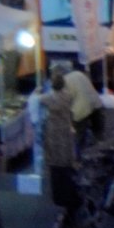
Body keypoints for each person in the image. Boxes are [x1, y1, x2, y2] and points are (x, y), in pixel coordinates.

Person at [40, 74, 78, 219]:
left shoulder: (49, 98)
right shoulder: (68, 96)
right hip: (65, 133)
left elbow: (38, 99)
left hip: (53, 135)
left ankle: (60, 198)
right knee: (66, 167)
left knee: (56, 170)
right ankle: (71, 197)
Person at [60, 64, 104, 148]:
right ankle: (101, 146)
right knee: (98, 132)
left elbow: (67, 99)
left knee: (79, 135)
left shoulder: (64, 81)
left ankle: (79, 157)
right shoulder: (78, 73)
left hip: (80, 110)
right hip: (96, 103)